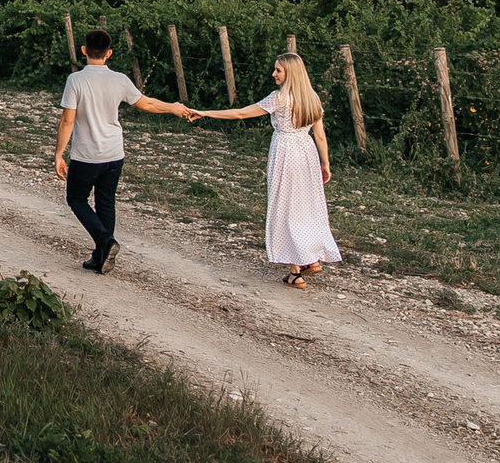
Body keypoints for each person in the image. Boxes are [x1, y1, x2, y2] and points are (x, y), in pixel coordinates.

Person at [54, 29, 200, 273]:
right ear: (109, 53)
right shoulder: (120, 79)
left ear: (83, 50)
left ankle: (105, 242)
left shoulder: (76, 80)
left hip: (86, 154)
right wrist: (173, 107)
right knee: (106, 203)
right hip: (114, 153)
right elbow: (147, 104)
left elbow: (67, 120)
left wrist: (59, 154)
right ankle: (100, 257)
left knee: (76, 199)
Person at [201, 51, 340, 286]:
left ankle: (306, 260)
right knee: (306, 206)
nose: (274, 74)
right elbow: (320, 135)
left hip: (286, 152)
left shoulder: (279, 98)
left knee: (286, 207)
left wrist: (204, 113)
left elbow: (241, 113)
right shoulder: (312, 98)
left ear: (290, 73)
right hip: (306, 152)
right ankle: (299, 269)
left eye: (278, 70)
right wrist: (325, 163)